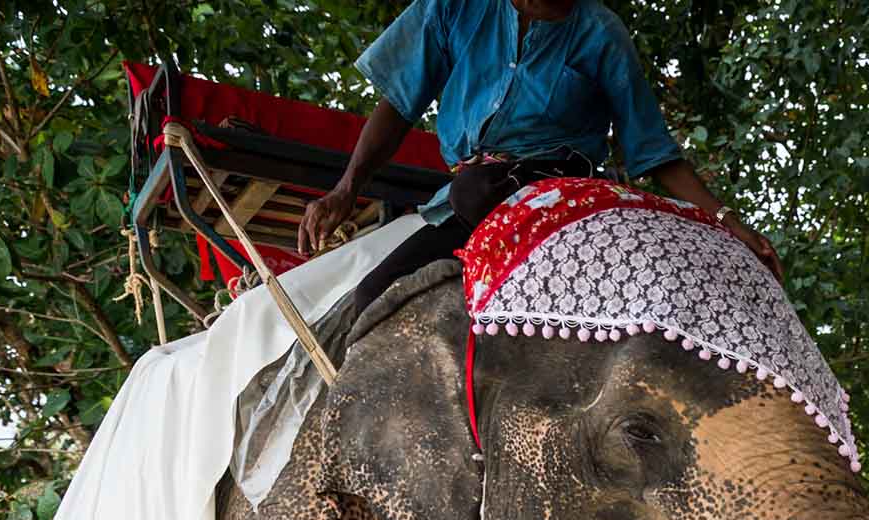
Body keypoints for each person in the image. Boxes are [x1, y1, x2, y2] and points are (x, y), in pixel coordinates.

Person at [301, 0, 782, 316]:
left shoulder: (599, 32)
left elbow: (653, 151)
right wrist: (347, 189)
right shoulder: (452, 8)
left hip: (563, 198)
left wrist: (727, 221)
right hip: (471, 198)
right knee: (373, 299)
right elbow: (399, 104)